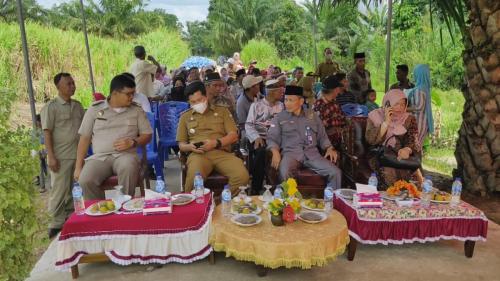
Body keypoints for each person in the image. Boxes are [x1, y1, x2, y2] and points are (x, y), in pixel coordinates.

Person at [75, 74, 153, 200]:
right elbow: (84, 138)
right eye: (128, 94)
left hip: (125, 156)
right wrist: (78, 167)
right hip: (100, 158)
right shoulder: (95, 110)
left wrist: (133, 142)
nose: (132, 97)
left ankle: (124, 206)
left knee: (128, 167)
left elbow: (147, 135)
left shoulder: (136, 110)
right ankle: (99, 211)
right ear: (115, 93)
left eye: (133, 93)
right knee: (85, 179)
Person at [176, 81, 249, 193]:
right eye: (193, 102)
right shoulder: (185, 117)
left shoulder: (222, 111)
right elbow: (181, 145)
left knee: (242, 176)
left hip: (222, 153)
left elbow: (233, 136)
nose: (197, 104)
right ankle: (198, 207)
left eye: (200, 100)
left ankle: (221, 202)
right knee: (193, 182)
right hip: (198, 155)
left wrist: (215, 143)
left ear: (206, 96)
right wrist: (190, 147)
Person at [267, 85, 342, 189]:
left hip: (312, 154)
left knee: (336, 173)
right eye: (285, 100)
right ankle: (290, 203)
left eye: (290, 100)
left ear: (301, 101)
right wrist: (274, 151)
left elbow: (322, 136)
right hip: (291, 154)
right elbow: (272, 137)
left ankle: (330, 201)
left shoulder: (313, 116)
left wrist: (329, 148)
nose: (287, 103)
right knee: (284, 172)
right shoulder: (279, 118)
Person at [40, 72, 84, 238]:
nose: (72, 86)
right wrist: (50, 156)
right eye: (68, 84)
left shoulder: (78, 106)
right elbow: (47, 133)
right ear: (58, 87)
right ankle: (54, 223)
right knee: (59, 189)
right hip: (61, 155)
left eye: (73, 83)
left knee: (73, 189)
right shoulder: (51, 107)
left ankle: (69, 216)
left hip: (77, 154)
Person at [365, 89, 420, 188]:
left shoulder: (409, 119)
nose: (399, 108)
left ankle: (406, 202)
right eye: (396, 104)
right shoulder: (374, 116)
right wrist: (386, 122)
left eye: (403, 104)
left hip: (401, 156)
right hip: (381, 155)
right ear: (387, 104)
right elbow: (370, 140)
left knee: (413, 177)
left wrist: (407, 149)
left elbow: (413, 138)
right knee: (389, 173)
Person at [245, 79, 284, 195]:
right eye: (279, 92)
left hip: (276, 139)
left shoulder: (281, 106)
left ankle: (276, 187)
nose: (282, 94)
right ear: (271, 92)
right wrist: (256, 137)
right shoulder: (256, 106)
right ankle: (256, 188)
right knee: (261, 152)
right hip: (259, 138)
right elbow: (249, 124)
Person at [313, 75, 346, 149]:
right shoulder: (320, 106)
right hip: (326, 145)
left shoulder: (334, 103)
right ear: (336, 89)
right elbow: (320, 131)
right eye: (339, 88)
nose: (339, 90)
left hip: (337, 141)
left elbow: (342, 118)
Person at [406, 64, 434, 150]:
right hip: (423, 123)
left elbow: (419, 107)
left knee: (414, 147)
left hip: (418, 123)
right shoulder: (425, 88)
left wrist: (404, 109)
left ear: (419, 75)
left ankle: (416, 163)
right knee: (417, 146)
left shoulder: (419, 90)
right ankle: (417, 162)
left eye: (415, 73)